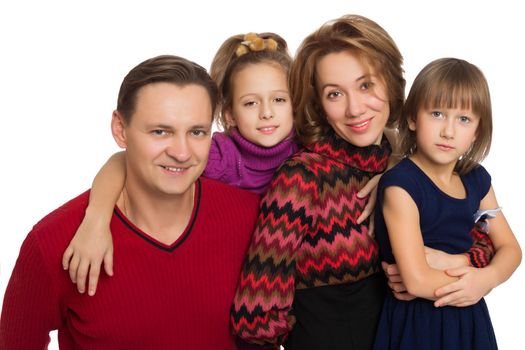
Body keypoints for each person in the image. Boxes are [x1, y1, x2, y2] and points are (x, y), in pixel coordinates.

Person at [229, 16, 497, 350]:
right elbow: (255, 314)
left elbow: (485, 241)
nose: (355, 108)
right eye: (334, 93)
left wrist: (462, 265)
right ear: (319, 104)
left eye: (366, 85)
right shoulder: (302, 178)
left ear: (391, 81)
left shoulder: (407, 164)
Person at [0, 55, 260, 349]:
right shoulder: (53, 242)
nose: (182, 152)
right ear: (120, 130)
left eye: (197, 132)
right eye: (160, 131)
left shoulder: (250, 218)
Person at [60, 32, 300, 297]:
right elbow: (122, 163)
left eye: (279, 100)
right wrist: (96, 220)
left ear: (295, 102)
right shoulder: (218, 154)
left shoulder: (308, 149)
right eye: (251, 103)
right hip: (229, 274)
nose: (266, 112)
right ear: (229, 114)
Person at [373, 57, 521, 349]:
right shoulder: (402, 186)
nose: (448, 131)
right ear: (413, 117)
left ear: (477, 130)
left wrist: (486, 279)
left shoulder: (476, 179)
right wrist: (473, 280)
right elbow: (415, 282)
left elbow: (511, 249)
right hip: (419, 323)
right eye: (437, 113)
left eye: (464, 119)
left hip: (470, 315)